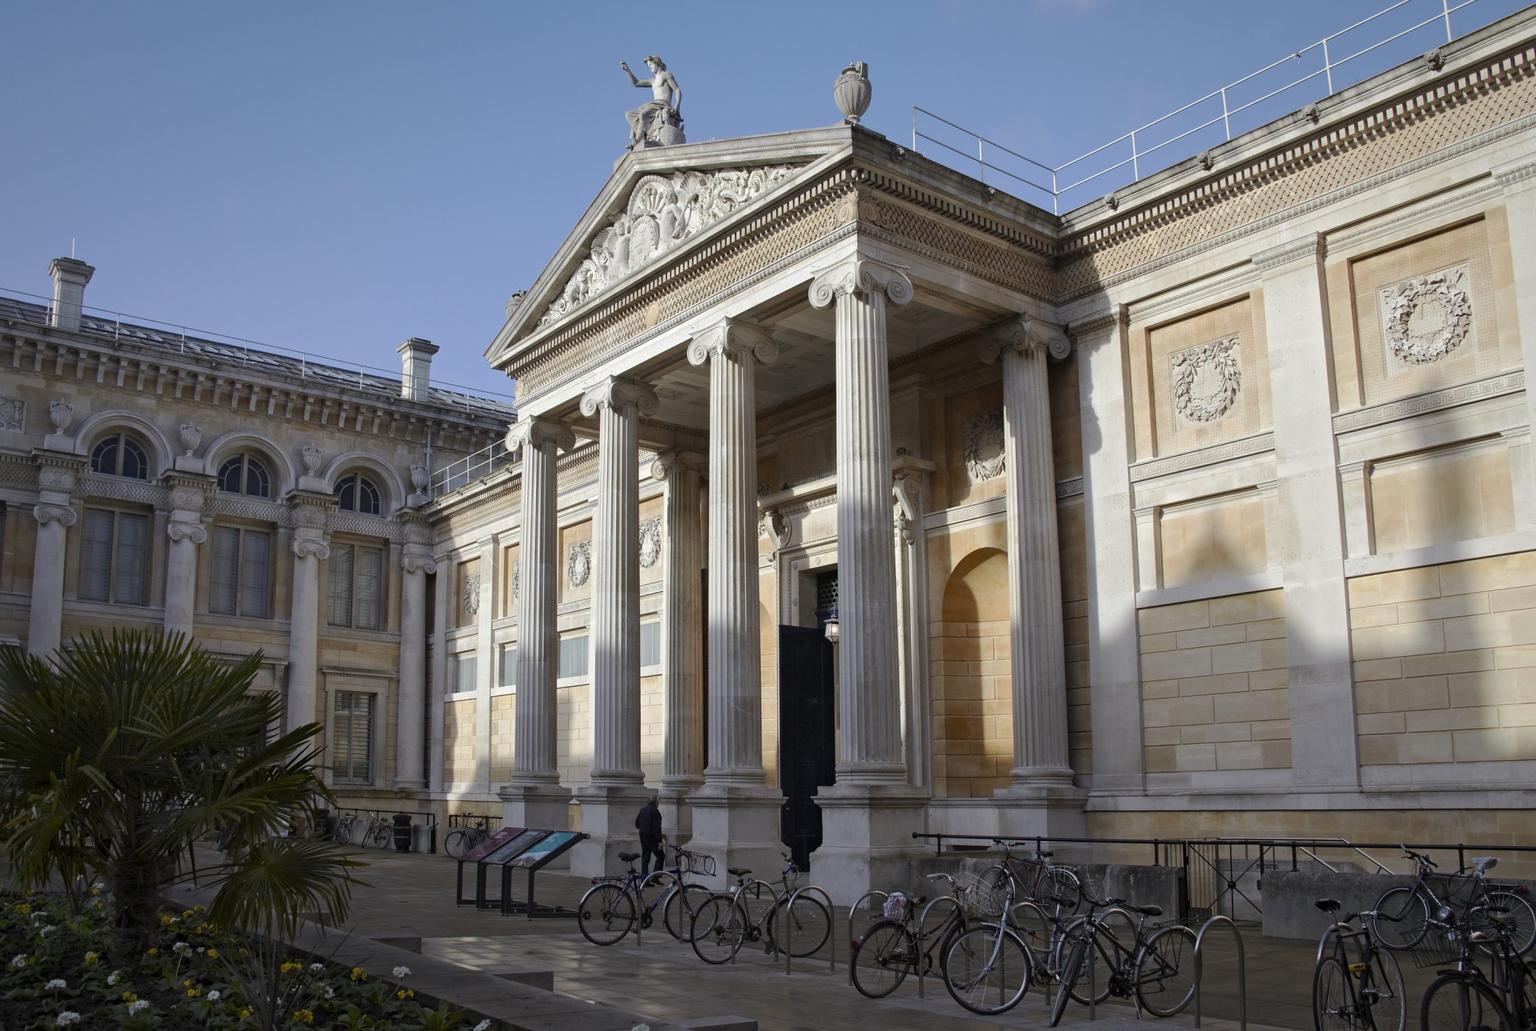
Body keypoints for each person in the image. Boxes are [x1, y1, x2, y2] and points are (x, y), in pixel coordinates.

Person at [620, 55, 682, 148]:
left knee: (643, 114)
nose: (650, 67)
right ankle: (646, 134)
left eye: (651, 65)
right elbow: (636, 83)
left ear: (657, 63)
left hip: (662, 104)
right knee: (629, 114)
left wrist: (677, 105)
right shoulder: (652, 81)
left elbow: (677, 90)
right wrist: (628, 71)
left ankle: (638, 140)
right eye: (648, 66)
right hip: (653, 105)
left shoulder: (666, 75)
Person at [635, 794, 664, 876]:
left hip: (643, 837)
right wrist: (659, 841)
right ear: (656, 802)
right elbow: (657, 828)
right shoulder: (655, 811)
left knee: (645, 859)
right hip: (652, 838)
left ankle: (644, 880)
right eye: (658, 801)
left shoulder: (642, 809)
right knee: (661, 856)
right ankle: (656, 876)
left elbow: (637, 824)